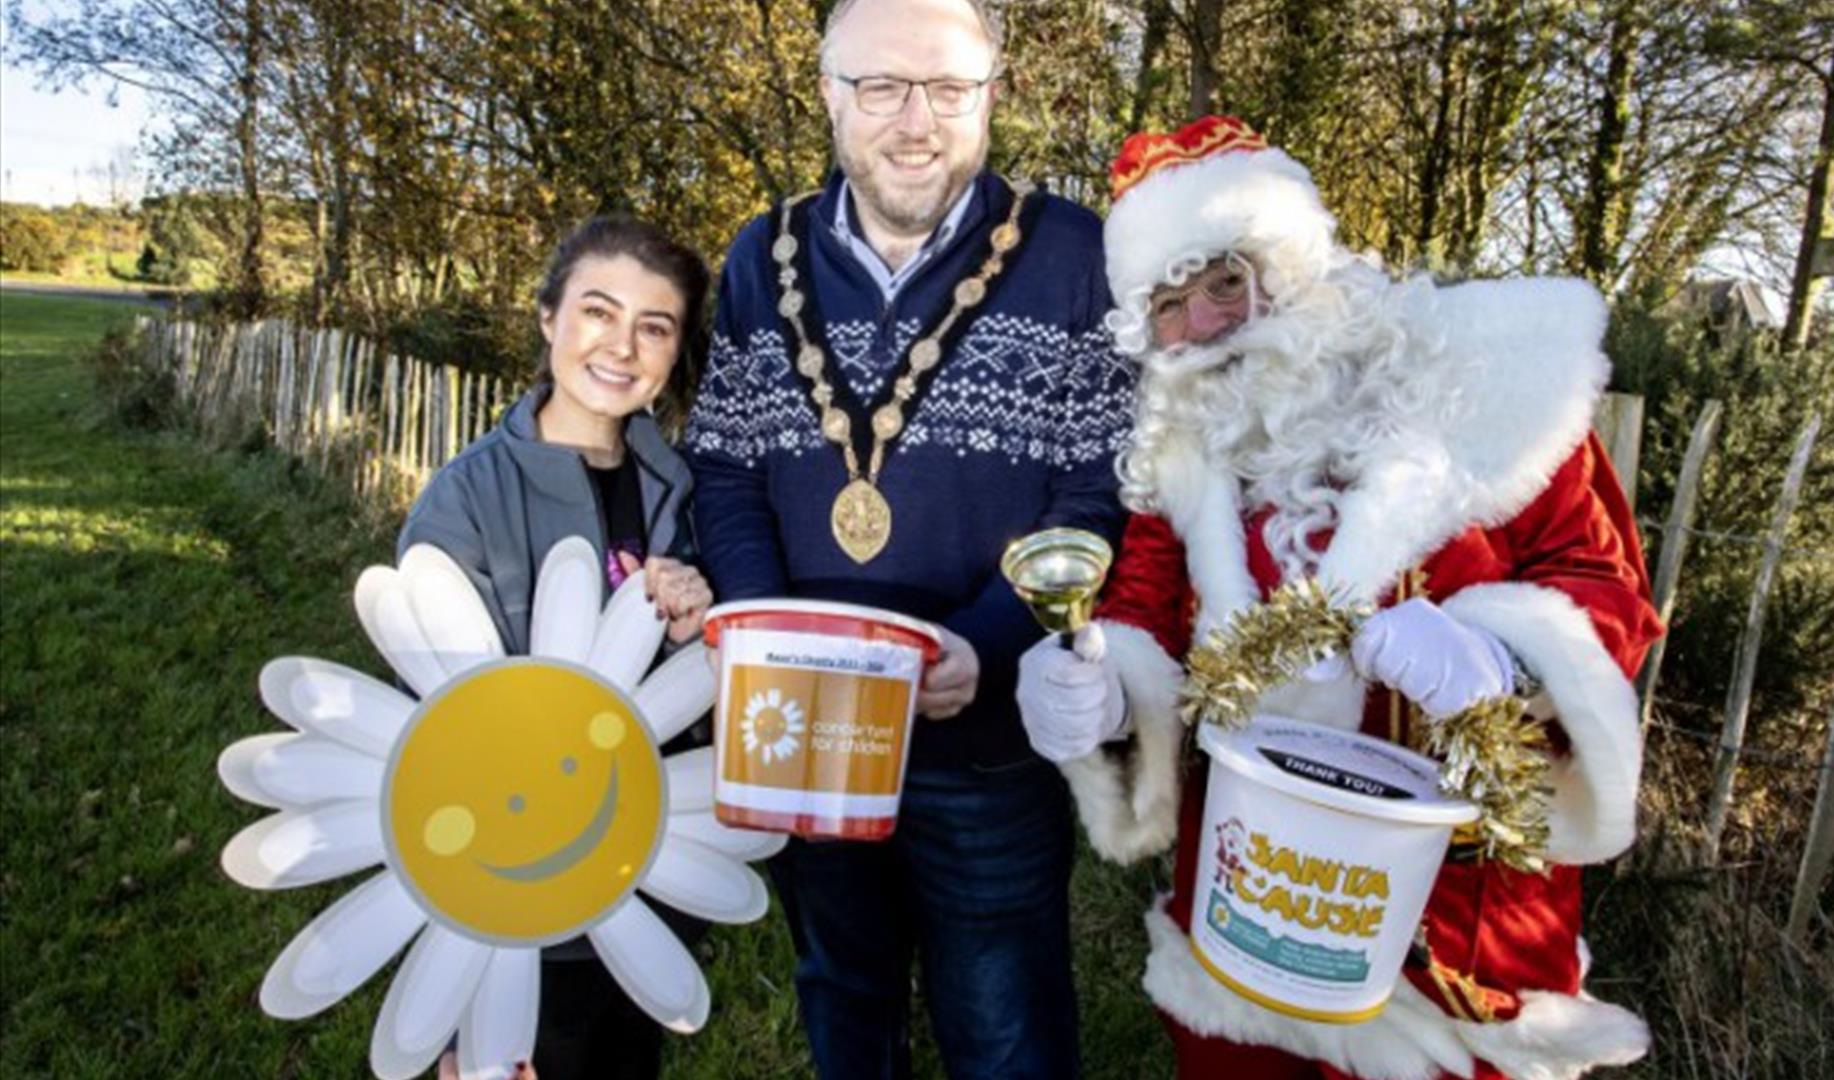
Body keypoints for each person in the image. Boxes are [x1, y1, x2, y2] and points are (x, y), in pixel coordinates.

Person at [1014, 116, 1665, 1080]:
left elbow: (1602, 578)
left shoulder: (1492, 390)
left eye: (1227, 282)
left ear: (1295, 266)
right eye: (1170, 307)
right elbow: (1145, 613)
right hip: (1254, 898)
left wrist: (1499, 658)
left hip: (1462, 924)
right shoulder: (1183, 456)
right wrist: (1100, 689)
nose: (1205, 329)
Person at [682, 0, 1135, 1075]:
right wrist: (763, 638)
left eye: (947, 88)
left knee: (1005, 1017)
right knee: (845, 990)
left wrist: (989, 644)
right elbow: (728, 466)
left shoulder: (1077, 256)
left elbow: (1099, 490)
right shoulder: (762, 255)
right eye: (881, 86)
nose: (915, 120)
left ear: (993, 90)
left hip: (985, 737)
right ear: (831, 93)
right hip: (803, 725)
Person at [398, 214, 716, 1080]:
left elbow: (697, 687)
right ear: (548, 319)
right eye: (597, 312)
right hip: (517, 887)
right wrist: (466, 1013)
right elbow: (430, 742)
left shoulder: (680, 490)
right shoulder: (464, 502)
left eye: (655, 326)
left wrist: (700, 626)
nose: (622, 346)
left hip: (643, 870)